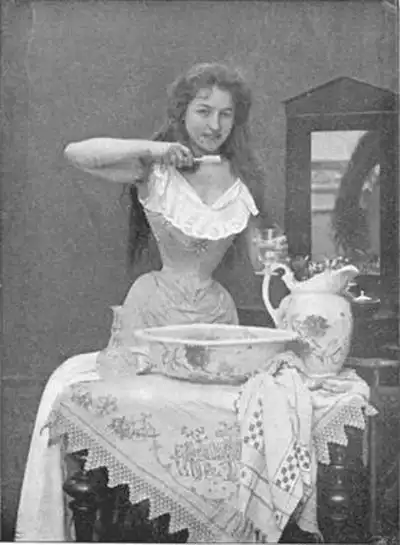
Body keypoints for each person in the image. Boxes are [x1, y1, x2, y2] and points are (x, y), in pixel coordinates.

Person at [15, 62, 280, 541]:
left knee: (209, 438)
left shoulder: (244, 178)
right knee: (140, 431)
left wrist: (283, 266)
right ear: (182, 112)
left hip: (215, 318)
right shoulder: (152, 168)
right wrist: (155, 149)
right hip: (153, 312)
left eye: (225, 114)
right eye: (203, 111)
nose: (214, 125)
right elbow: (77, 153)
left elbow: (265, 257)